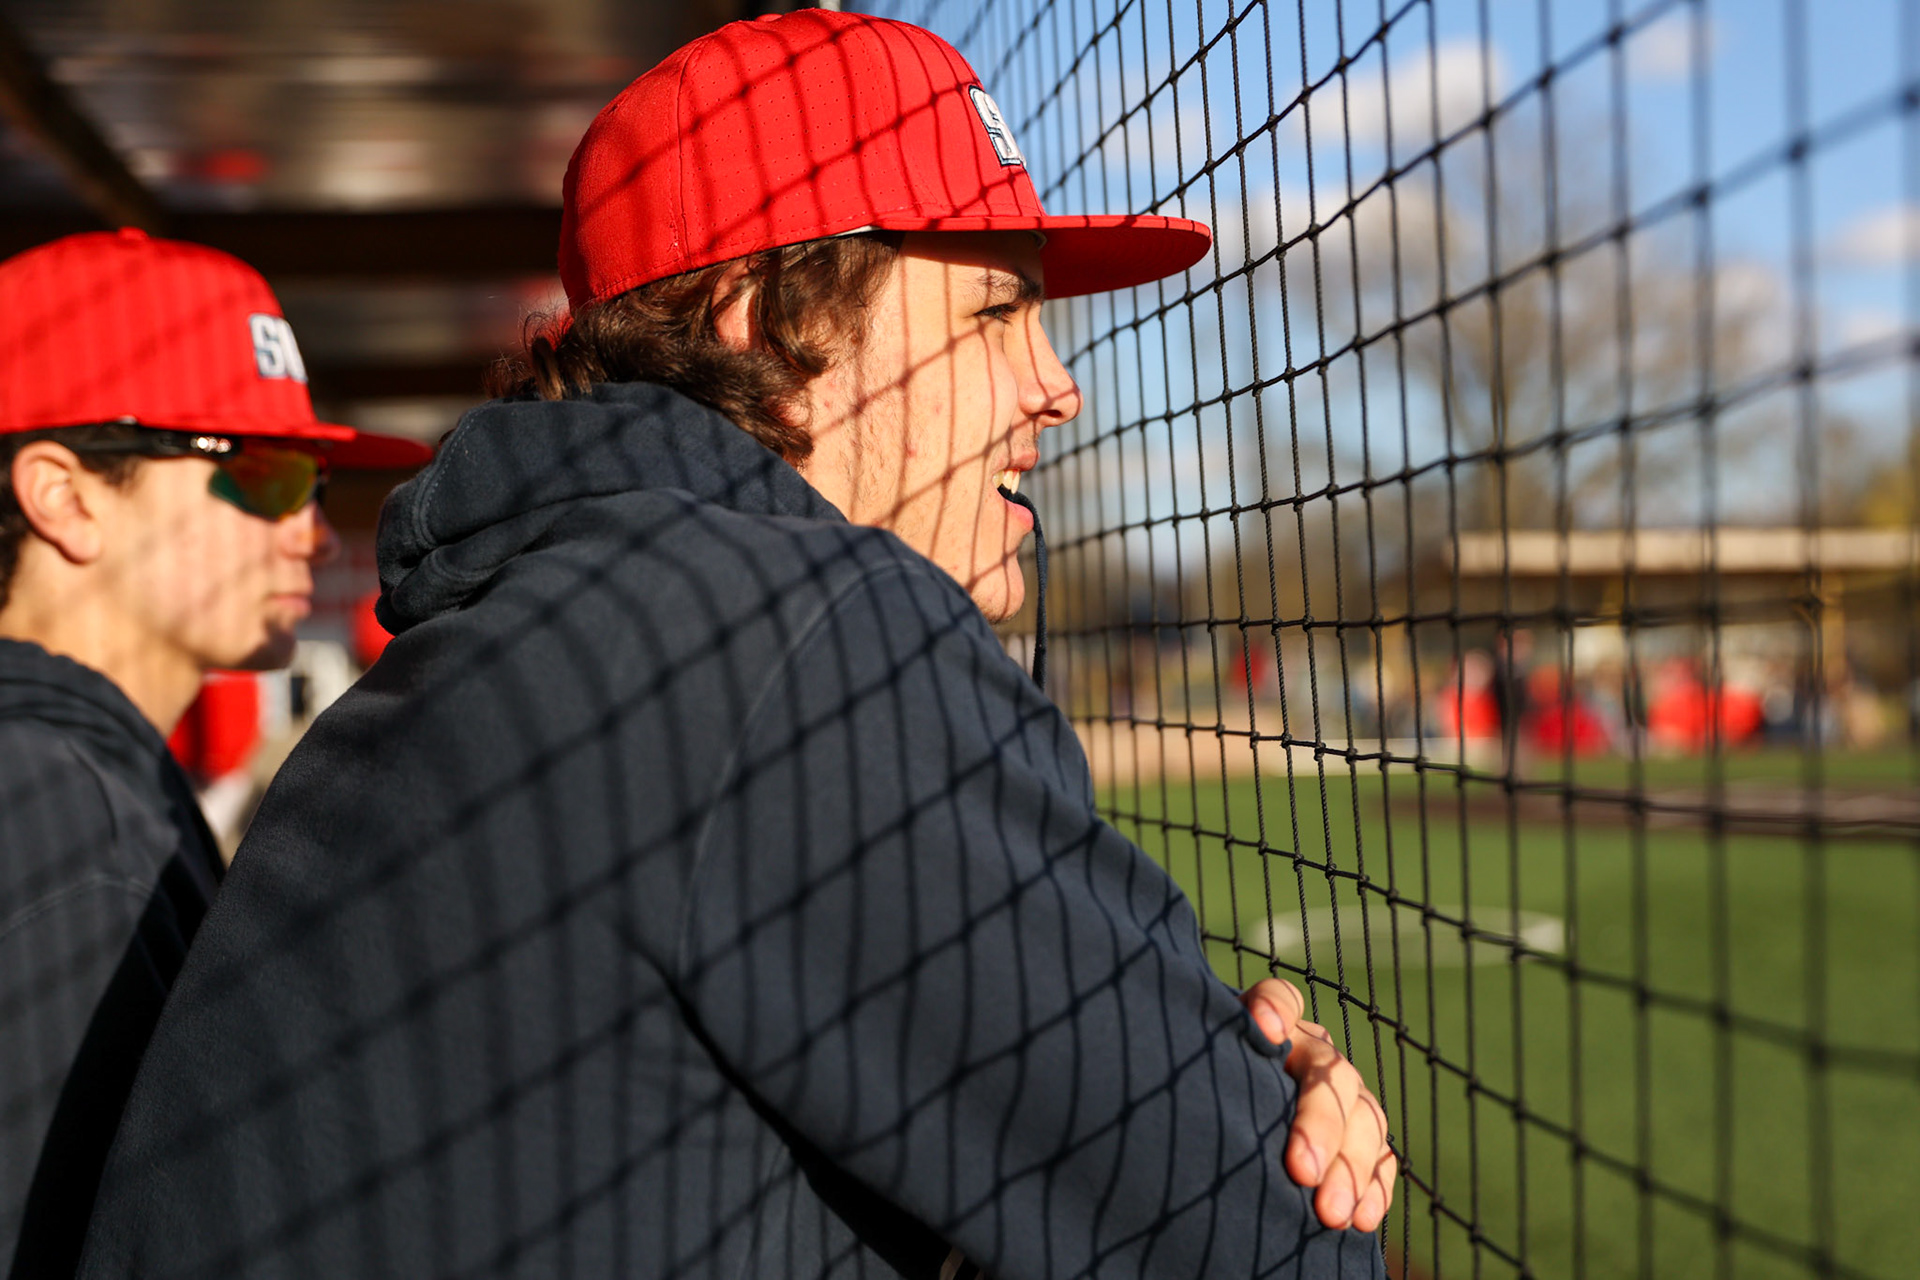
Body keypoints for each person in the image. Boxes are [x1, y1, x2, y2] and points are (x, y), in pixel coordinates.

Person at [78, 13, 1394, 1279]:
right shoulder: (780, 634)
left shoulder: (550, 619)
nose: (1057, 382)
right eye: (996, 316)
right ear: (763, 324)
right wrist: (1270, 1109)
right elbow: (1274, 1246)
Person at [0, 229, 430, 1277]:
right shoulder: (47, 794)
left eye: (317, 482)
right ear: (64, 494)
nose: (315, 533)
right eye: (266, 473)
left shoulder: (91, 772)